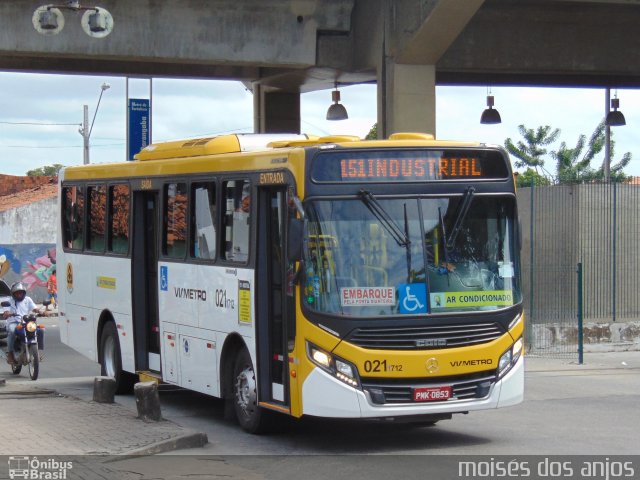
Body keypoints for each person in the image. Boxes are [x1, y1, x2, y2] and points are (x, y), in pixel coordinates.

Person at [3, 282, 39, 364]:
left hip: (25, 322)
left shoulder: (28, 299)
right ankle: (10, 353)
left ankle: (36, 352)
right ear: (13, 294)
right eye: (17, 293)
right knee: (12, 331)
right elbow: (6, 312)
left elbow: (34, 308)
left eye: (21, 293)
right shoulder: (9, 301)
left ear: (24, 293)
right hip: (13, 322)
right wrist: (7, 313)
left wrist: (41, 311)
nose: (19, 295)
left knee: (39, 330)